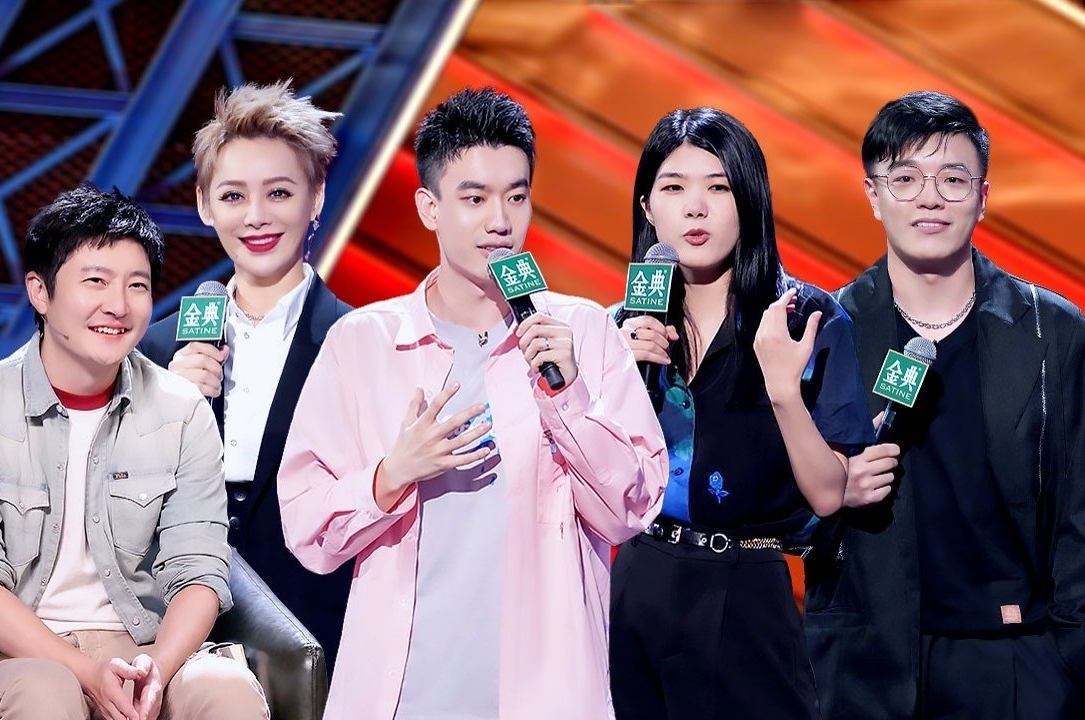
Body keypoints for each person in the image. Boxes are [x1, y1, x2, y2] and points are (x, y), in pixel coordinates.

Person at [276, 87, 667, 720]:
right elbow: (307, 529)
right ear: (428, 208)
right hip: (402, 694)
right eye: (475, 198)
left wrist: (567, 396)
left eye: (516, 196)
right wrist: (390, 474)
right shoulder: (364, 342)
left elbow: (630, 508)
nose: (500, 221)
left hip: (544, 695)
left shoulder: (583, 332)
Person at [0, 185, 268, 720]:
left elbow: (200, 569)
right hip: (1, 657)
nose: (117, 305)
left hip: (141, 645)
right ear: (40, 292)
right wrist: (87, 672)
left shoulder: (183, 409)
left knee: (225, 687)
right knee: (46, 688)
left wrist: (157, 670)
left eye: (137, 285)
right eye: (95, 281)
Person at [804, 91, 1085, 719]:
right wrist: (833, 487)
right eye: (905, 178)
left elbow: (1079, 513)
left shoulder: (1053, 332)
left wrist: (1065, 661)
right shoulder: (824, 328)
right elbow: (778, 509)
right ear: (873, 195)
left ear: (983, 197)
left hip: (1016, 664)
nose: (929, 197)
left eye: (952, 179)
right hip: (864, 669)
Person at [609, 108, 873, 720]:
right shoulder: (621, 325)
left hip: (745, 585)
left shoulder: (806, 318)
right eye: (674, 188)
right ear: (648, 208)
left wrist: (783, 389)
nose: (695, 208)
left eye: (719, 187)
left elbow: (829, 493)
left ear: (749, 201)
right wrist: (613, 378)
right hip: (638, 576)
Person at [139, 80, 353, 668]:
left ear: (316, 198)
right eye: (233, 196)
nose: (256, 216)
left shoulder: (359, 342)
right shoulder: (156, 348)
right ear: (204, 204)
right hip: (176, 626)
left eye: (279, 192)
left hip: (319, 619)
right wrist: (165, 413)